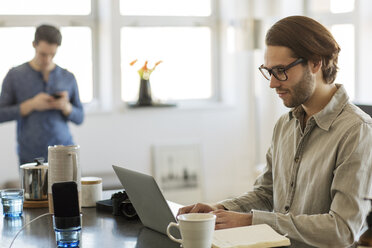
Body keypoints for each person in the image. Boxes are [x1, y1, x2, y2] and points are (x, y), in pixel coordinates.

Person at [178, 16, 372, 247]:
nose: (272, 83)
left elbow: (342, 230)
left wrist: (252, 221)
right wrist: (220, 210)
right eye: (268, 71)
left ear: (315, 63)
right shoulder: (285, 124)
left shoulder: (357, 132)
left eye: (281, 70)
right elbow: (265, 193)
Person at [0, 24, 84, 165]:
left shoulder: (67, 77)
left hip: (65, 152)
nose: (48, 59)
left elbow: (80, 117)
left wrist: (66, 107)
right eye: (43, 54)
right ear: (34, 45)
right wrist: (31, 105)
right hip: (30, 156)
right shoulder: (14, 75)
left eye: (52, 54)